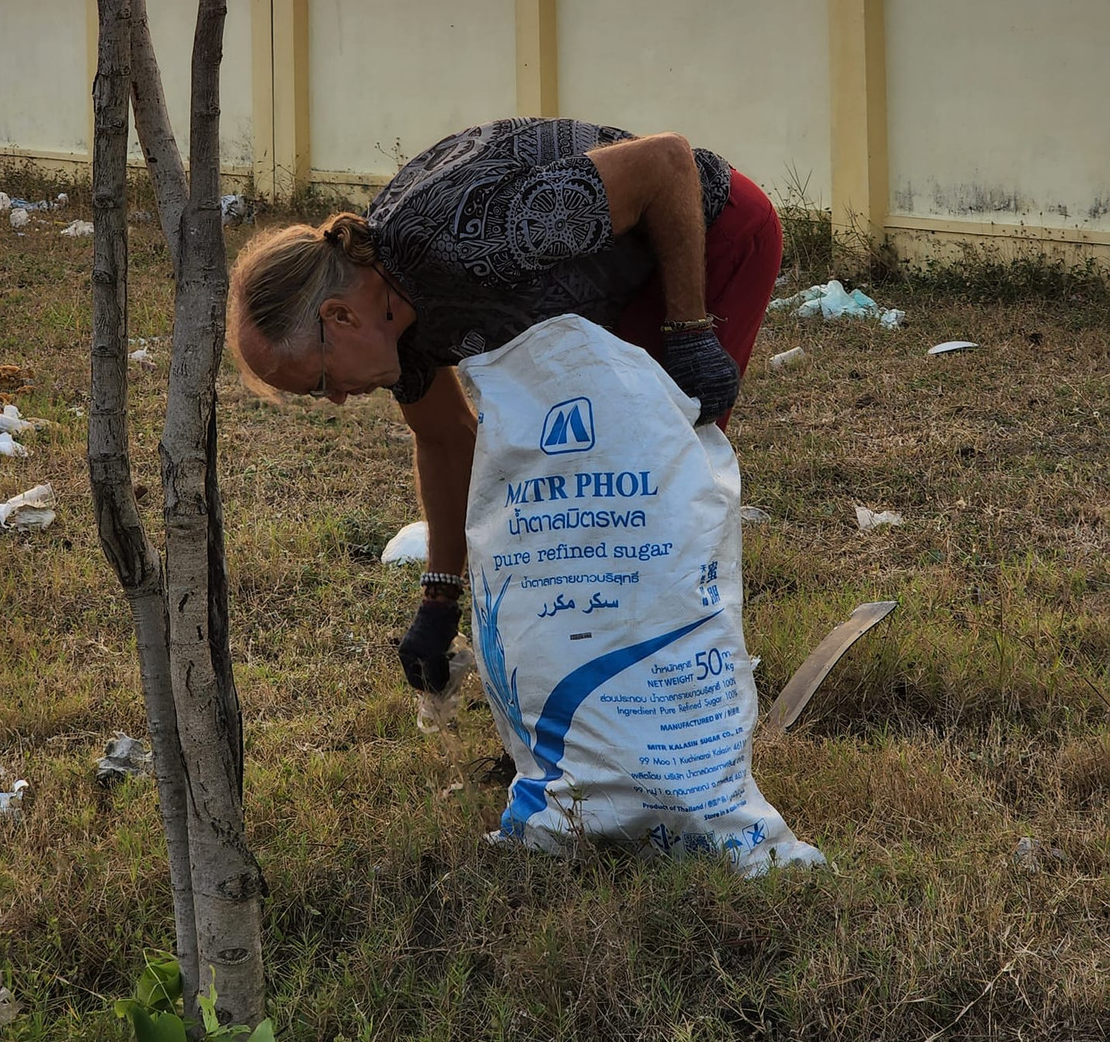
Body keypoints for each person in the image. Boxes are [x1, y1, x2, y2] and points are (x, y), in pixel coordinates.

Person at [227, 118, 782, 697]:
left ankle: (670, 691)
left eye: (321, 383)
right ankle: (605, 694)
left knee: (643, 483)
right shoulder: (391, 319)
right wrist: (439, 598)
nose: (339, 398)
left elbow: (666, 164)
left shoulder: (468, 237)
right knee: (588, 494)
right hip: (617, 283)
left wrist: (689, 330)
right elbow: (445, 439)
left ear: (340, 317)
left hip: (706, 230)